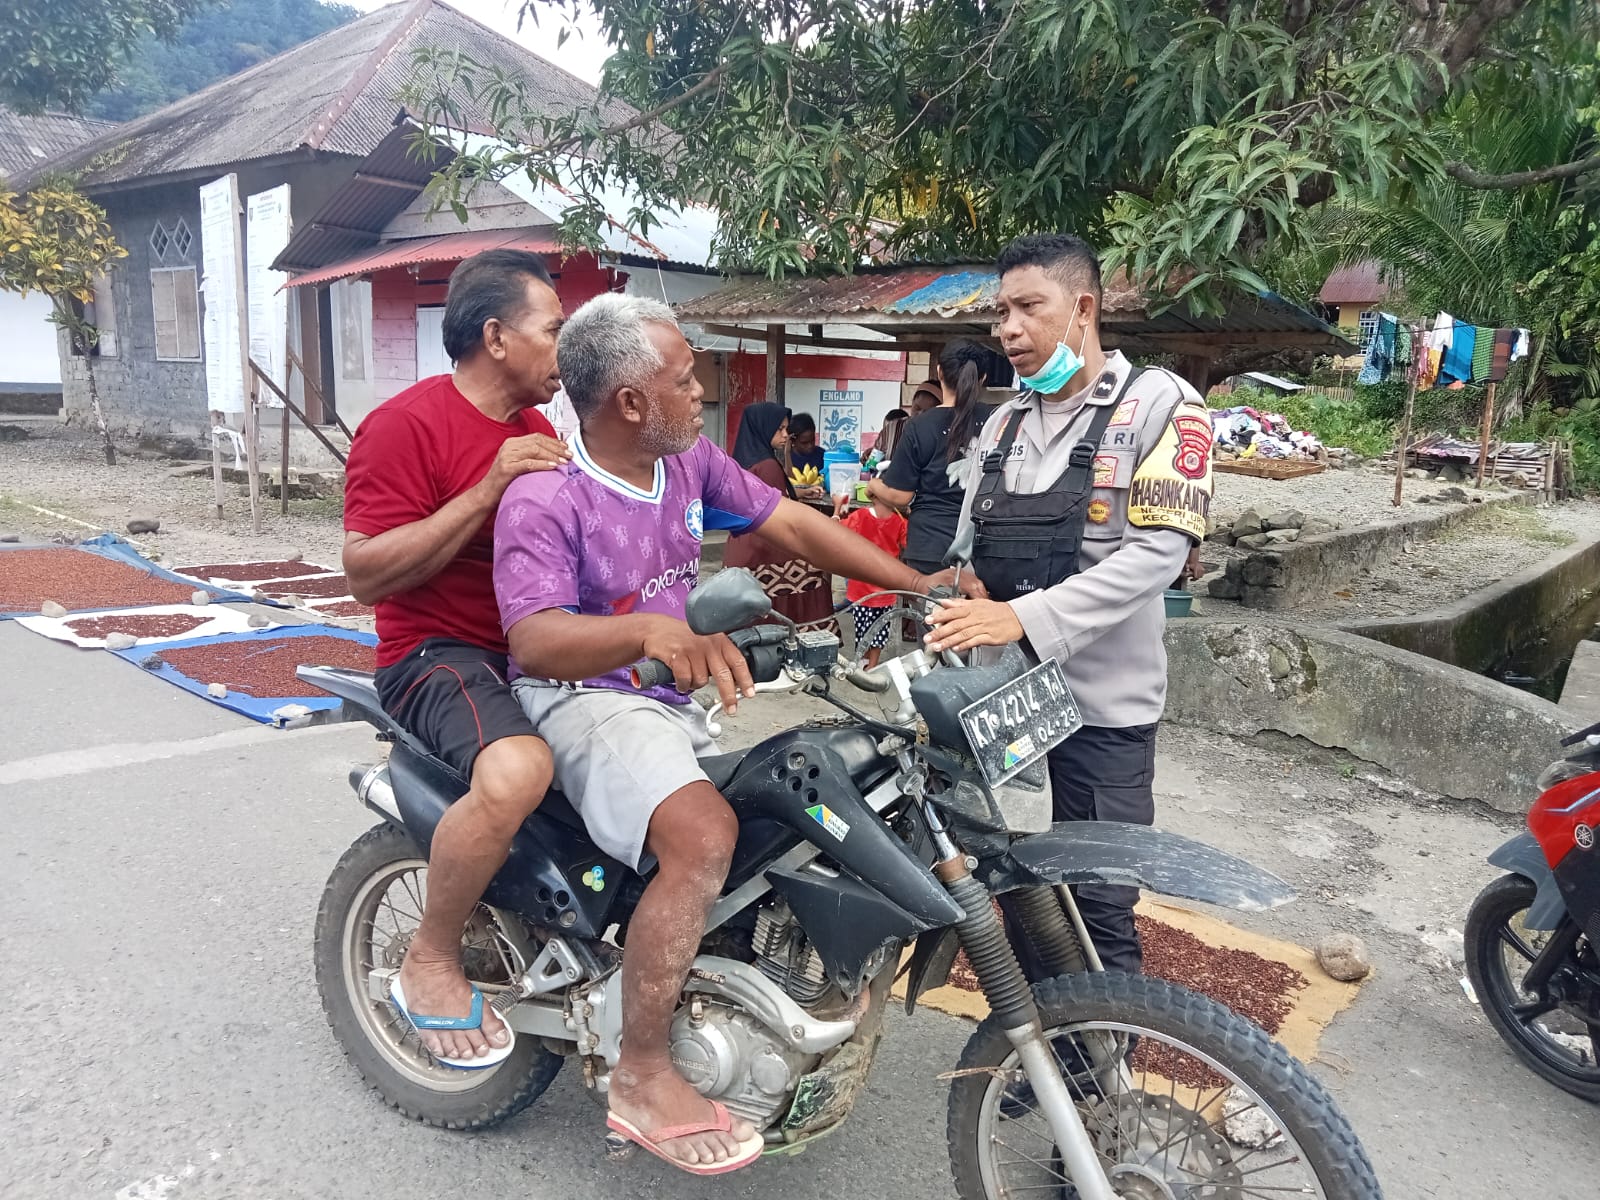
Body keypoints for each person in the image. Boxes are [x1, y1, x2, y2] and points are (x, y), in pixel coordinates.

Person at [492, 294, 979, 1175]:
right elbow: (533, 638)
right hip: (583, 696)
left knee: (800, 802)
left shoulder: (684, 463)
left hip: (668, 691)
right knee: (705, 834)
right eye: (685, 380)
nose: (704, 392)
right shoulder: (546, 493)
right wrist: (646, 632)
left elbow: (789, 524)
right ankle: (640, 1073)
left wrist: (919, 585)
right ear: (631, 403)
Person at [926, 233, 1214, 977]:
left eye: (1028, 308)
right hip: (1006, 697)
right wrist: (969, 586)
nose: (1008, 330)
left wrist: (1023, 617)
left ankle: (1100, 1068)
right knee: (1009, 883)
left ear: (1083, 307)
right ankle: (1041, 1047)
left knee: (1098, 895)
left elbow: (1159, 554)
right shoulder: (1003, 424)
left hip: (1103, 705)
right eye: (1001, 312)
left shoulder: (1162, 406)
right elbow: (968, 553)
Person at [342, 249, 571, 1068]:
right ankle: (430, 956)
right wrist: (487, 487)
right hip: (433, 654)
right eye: (555, 330)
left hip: (525, 650)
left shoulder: (539, 430)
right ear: (497, 336)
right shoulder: (405, 424)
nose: (566, 349)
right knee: (515, 772)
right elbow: (365, 571)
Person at [868, 340, 990, 576]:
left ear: (939, 372)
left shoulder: (919, 426)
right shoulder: (997, 419)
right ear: (982, 378)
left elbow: (900, 496)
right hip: (984, 549)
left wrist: (874, 485)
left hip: (930, 548)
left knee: (932, 614)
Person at [722, 402, 835, 631]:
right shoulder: (768, 465)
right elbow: (779, 510)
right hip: (764, 549)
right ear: (763, 429)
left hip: (740, 549)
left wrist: (800, 491)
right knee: (814, 574)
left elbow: (766, 495)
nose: (785, 435)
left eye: (786, 429)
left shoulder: (744, 460)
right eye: (779, 429)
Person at [838, 494, 908, 668]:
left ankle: (861, 663)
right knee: (880, 630)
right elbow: (908, 543)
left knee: (862, 629)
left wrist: (837, 509)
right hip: (885, 588)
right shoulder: (900, 522)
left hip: (860, 587)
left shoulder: (859, 516)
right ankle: (872, 665)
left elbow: (838, 532)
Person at [787, 410, 827, 477]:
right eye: (804, 443)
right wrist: (787, 454)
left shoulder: (822, 455)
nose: (810, 445)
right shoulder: (785, 458)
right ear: (792, 440)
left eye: (812, 440)